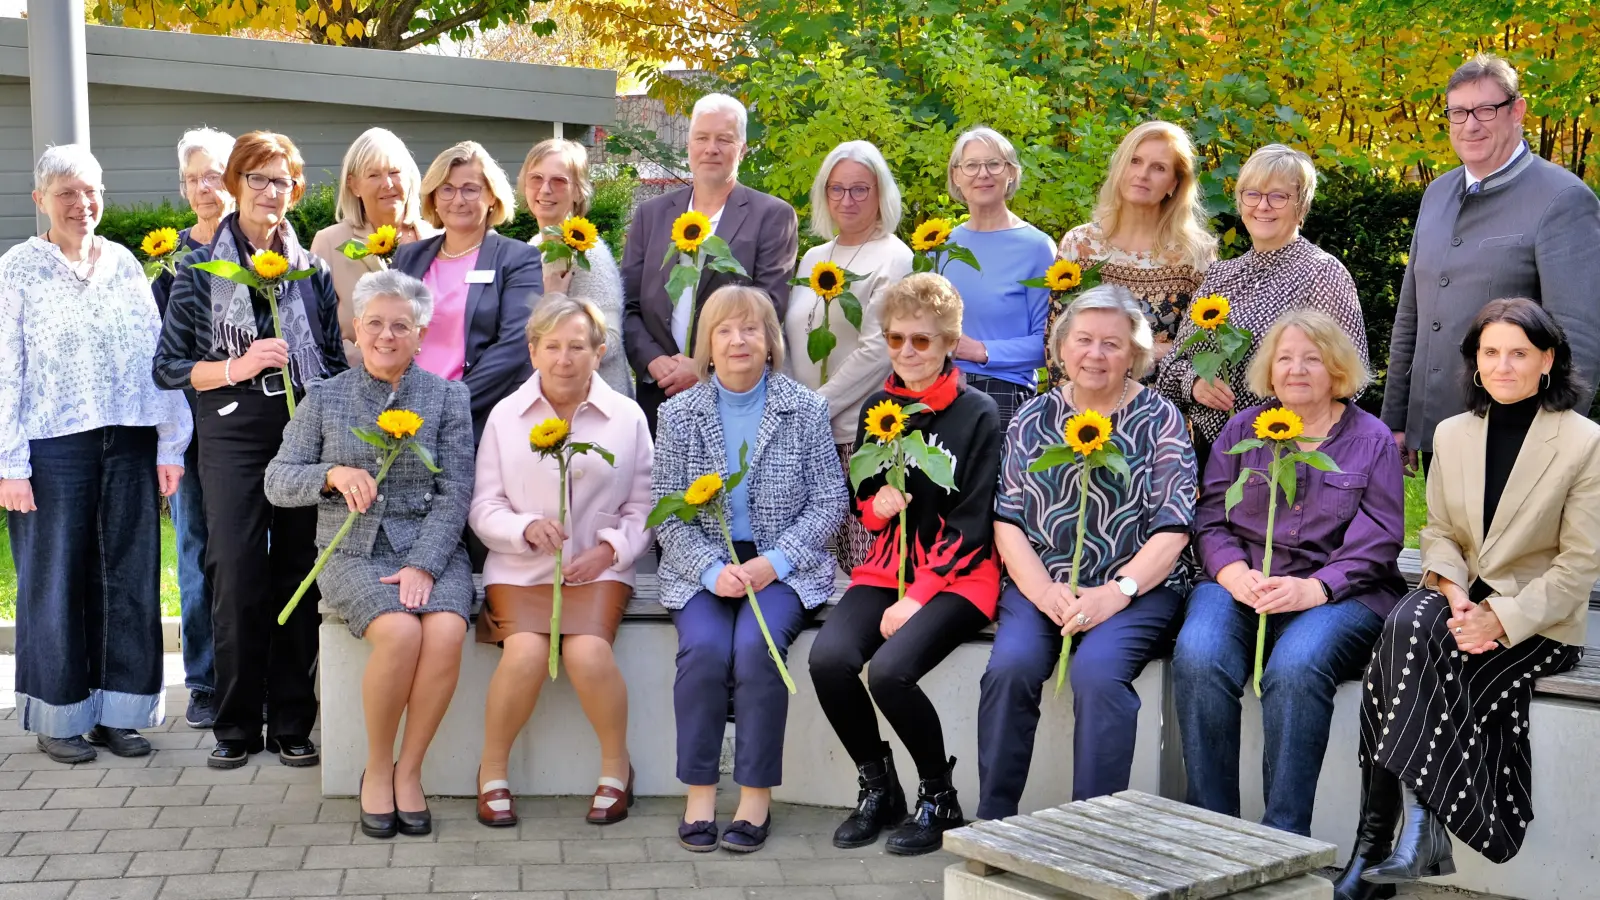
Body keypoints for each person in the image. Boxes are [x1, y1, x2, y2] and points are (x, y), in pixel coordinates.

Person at [1335, 298, 1600, 900]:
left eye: (1519, 353)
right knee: (1405, 629)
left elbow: (1579, 565)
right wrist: (1454, 593)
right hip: (1461, 597)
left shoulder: (1584, 442)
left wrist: (1498, 622)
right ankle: (1408, 838)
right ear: (1474, 363)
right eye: (1490, 353)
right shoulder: (1454, 433)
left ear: (1548, 360)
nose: (1503, 366)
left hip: (1538, 619)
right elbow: (1440, 534)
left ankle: (1380, 845)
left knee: (1396, 669)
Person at [154, 131, 348, 769]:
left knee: (298, 571)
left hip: (302, 429)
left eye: (283, 181)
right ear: (234, 187)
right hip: (233, 427)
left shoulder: (310, 270)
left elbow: (335, 360)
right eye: (258, 180)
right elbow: (170, 368)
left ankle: (293, 720)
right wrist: (237, 365)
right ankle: (235, 723)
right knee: (235, 572)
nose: (272, 193)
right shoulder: (199, 273)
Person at [1172, 309, 1405, 838]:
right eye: (1285, 359)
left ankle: (1282, 840)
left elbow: (1381, 537)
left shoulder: (1369, 440)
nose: (1297, 370)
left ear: (1338, 370)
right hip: (1242, 583)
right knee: (1199, 655)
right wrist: (1231, 573)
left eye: (1312, 358)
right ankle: (1211, 833)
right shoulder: (1241, 430)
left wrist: (1316, 587)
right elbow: (1210, 517)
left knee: (1297, 669)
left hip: (1340, 594)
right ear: (1269, 371)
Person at [264, 270, 475, 839]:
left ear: (421, 333)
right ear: (356, 329)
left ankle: (411, 770)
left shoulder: (448, 397)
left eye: (400, 325)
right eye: (375, 323)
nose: (386, 335)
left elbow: (457, 489)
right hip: (351, 549)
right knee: (402, 633)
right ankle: (377, 768)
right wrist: (332, 475)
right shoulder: (325, 397)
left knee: (447, 631)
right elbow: (277, 480)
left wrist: (426, 563)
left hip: (433, 548)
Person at [0, 144, 192, 764]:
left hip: (130, 438)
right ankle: (59, 717)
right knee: (55, 578)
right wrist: (9, 462)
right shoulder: (18, 270)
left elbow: (152, 355)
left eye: (91, 192)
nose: (82, 205)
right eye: (66, 194)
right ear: (40, 201)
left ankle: (120, 713)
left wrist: (169, 437)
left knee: (131, 576)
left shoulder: (124, 263)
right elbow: (6, 367)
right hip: (53, 445)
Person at [977, 285, 1196, 815]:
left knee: (1097, 673)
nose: (1096, 355)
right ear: (1060, 348)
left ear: (1136, 356)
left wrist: (1114, 593)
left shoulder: (1160, 419)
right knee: (1011, 667)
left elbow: (1174, 527)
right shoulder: (1032, 418)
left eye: (1112, 344)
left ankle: (1090, 829)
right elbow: (1007, 521)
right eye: (1084, 340)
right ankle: (993, 822)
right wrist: (1043, 591)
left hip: (1137, 589)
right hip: (1042, 584)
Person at [808, 273, 1001, 855]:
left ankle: (939, 797)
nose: (906, 352)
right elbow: (861, 493)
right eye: (894, 340)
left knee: (889, 672)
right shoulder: (877, 407)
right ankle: (878, 786)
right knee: (830, 659)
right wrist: (876, 505)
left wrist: (917, 597)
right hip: (886, 566)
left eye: (921, 340)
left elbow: (974, 518)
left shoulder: (978, 413)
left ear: (947, 342)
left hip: (959, 574)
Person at [653, 285, 847, 853]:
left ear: (771, 343)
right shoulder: (678, 413)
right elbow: (667, 514)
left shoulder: (804, 407)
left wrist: (774, 562)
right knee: (705, 652)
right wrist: (712, 572)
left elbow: (830, 504)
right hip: (704, 568)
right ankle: (700, 792)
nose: (738, 340)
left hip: (783, 564)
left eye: (751, 329)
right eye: (723, 330)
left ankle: (756, 795)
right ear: (706, 347)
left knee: (757, 651)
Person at [470, 297, 653, 828]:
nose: (564, 358)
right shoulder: (507, 417)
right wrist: (523, 528)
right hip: (522, 567)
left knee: (588, 655)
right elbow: (484, 506)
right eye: (552, 346)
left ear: (600, 353)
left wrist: (610, 551)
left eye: (578, 346)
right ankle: (492, 770)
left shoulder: (627, 417)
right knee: (524, 653)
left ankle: (617, 768)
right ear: (533, 352)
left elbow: (645, 505)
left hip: (596, 570)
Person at [1381, 54, 1600, 471]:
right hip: (1437, 433)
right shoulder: (1436, 194)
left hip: (1517, 435)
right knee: (1443, 538)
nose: (1470, 124)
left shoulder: (1563, 199)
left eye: (1486, 109)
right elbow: (1411, 315)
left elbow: (1580, 337)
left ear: (1516, 111)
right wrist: (1396, 418)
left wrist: (1551, 439)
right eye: (1458, 112)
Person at [1156, 144, 1368, 463]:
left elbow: (1348, 380)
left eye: (1278, 196)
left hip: (1285, 453)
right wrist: (1196, 382)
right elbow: (1172, 367)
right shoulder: (1220, 277)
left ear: (1302, 206)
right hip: (1209, 456)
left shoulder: (1322, 273)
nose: (1263, 206)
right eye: (1252, 194)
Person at [622, 93, 800, 432]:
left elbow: (769, 308)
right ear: (688, 146)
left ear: (743, 149)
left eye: (724, 139)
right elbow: (627, 304)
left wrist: (703, 366)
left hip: (733, 394)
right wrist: (653, 360)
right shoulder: (652, 215)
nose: (711, 148)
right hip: (658, 394)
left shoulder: (773, 216)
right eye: (702, 138)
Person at [782, 140, 914, 572]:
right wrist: (792, 407)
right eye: (837, 189)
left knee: (861, 562)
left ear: (881, 194)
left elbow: (879, 348)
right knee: (809, 560)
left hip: (858, 433)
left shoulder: (895, 256)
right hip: (806, 433)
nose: (848, 199)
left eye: (860, 189)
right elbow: (793, 333)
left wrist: (816, 405)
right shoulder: (814, 258)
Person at [155, 127, 237, 731]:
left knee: (253, 556)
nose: (203, 187)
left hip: (256, 433)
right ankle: (206, 680)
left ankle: (251, 672)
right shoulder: (169, 267)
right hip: (192, 433)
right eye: (192, 178)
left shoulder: (263, 254)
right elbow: (157, 365)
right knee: (196, 554)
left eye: (214, 174)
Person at [393, 140, 542, 438]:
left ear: (491, 196)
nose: (457, 199)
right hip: (404, 415)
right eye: (446, 189)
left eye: (470, 189)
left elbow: (514, 345)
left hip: (474, 419)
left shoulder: (517, 259)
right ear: (434, 198)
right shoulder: (408, 257)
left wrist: (449, 403)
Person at [1053, 120, 1216, 385]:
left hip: (1162, 411)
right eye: (1135, 161)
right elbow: (1058, 338)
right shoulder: (1080, 244)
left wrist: (1154, 352)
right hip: (1085, 408)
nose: (1142, 174)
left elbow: (1203, 349)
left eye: (1158, 168)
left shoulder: (1194, 255)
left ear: (1174, 183)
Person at [936, 126, 1056, 427]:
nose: (983, 174)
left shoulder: (1037, 248)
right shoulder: (939, 247)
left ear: (1011, 173)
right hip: (939, 390)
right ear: (956, 177)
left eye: (994, 164)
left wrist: (982, 351)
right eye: (971, 165)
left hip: (1003, 393)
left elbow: (1051, 343)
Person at [310, 127, 437, 367]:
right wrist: (369, 361)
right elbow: (316, 328)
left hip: (436, 379)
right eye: (374, 175)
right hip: (360, 381)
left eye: (395, 172)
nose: (387, 184)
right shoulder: (329, 242)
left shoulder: (437, 238)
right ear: (353, 185)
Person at [520, 138, 633, 396]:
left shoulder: (588, 255)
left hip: (594, 404)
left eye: (558, 181)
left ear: (578, 191)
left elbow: (611, 340)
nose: (545, 190)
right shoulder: (533, 247)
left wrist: (553, 302)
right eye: (536, 178)